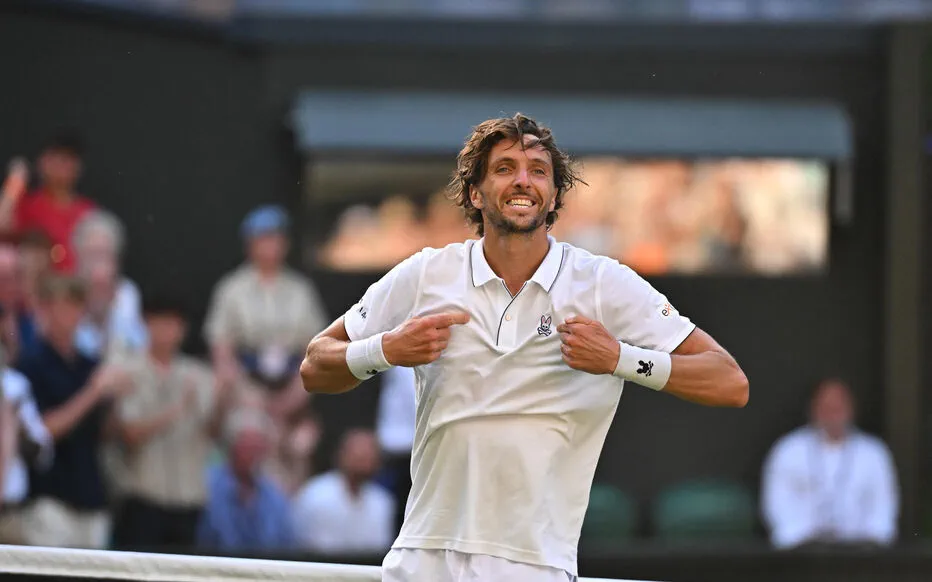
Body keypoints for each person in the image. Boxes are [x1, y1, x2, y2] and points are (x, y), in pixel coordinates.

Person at [299, 114, 749, 582]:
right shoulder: (427, 273)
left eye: (538, 170)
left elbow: (729, 381)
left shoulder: (604, 282)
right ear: (475, 193)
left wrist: (620, 359)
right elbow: (314, 364)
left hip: (535, 564)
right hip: (422, 556)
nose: (523, 181)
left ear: (553, 196)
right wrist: (386, 350)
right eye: (504, 168)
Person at [761, 378, 899, 549]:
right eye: (827, 407)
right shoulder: (788, 451)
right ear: (813, 409)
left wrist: (868, 542)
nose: (833, 414)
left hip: (860, 553)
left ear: (851, 409)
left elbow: (883, 510)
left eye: (838, 407)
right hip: (802, 553)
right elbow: (778, 506)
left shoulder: (874, 454)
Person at [292, 428, 395, 555]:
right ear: (341, 455)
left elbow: (380, 550)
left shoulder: (383, 502)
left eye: (369, 456)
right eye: (359, 455)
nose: (364, 461)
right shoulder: (316, 495)